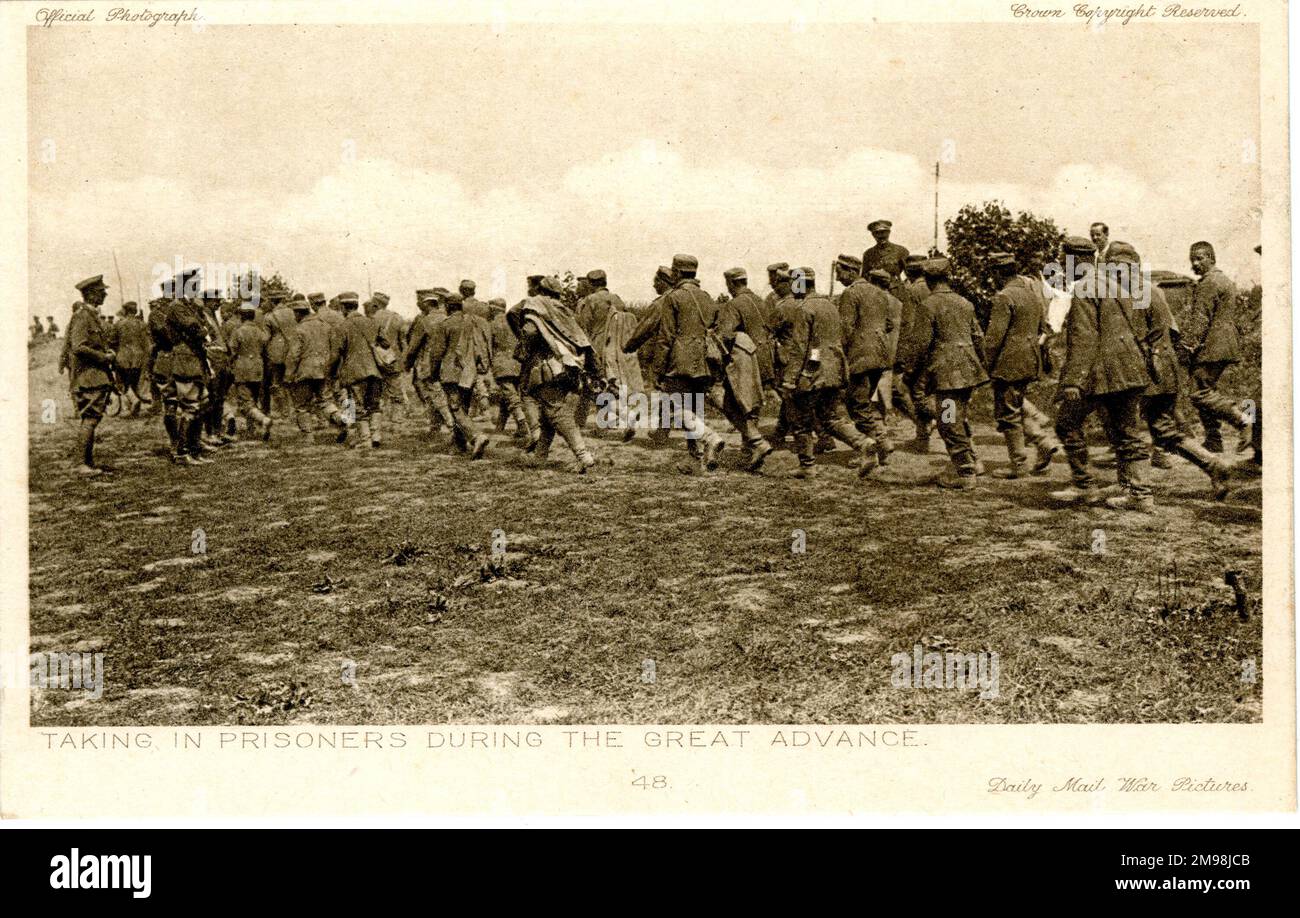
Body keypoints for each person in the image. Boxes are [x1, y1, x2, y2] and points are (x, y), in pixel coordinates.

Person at [1049, 239, 1155, 511]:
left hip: (1104, 373)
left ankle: (1085, 486)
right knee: (1127, 432)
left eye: (1064, 260)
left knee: (1066, 423)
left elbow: (1084, 339)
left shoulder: (1085, 288)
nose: (1061, 265)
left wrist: (1074, 381)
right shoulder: (1114, 284)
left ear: (1076, 260)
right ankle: (1140, 494)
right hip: (1129, 369)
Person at [623, 254, 725, 472]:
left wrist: (657, 370)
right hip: (704, 362)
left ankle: (710, 438)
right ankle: (694, 458)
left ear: (677, 272)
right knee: (693, 408)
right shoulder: (707, 297)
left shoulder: (674, 297)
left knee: (676, 408)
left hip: (680, 362)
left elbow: (665, 338)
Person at [781, 266, 878, 480]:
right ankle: (864, 443)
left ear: (799, 284)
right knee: (831, 418)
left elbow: (802, 349)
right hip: (834, 371)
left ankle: (807, 466)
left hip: (812, 371)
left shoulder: (804, 309)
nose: (791, 288)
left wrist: (792, 379)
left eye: (793, 283)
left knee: (800, 420)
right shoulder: (830, 306)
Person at [983, 252, 1059, 477]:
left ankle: (1018, 464)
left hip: (1009, 362)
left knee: (1008, 413)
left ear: (998, 273)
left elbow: (994, 338)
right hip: (1029, 360)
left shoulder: (1004, 297)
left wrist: (985, 365)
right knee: (1016, 404)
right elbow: (1042, 328)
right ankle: (1043, 442)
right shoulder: (1031, 295)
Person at [515, 275, 598, 473]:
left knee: (556, 412)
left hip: (549, 368)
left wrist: (525, 348)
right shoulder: (564, 310)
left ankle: (583, 456)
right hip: (569, 367)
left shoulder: (537, 306)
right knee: (547, 415)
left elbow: (530, 331)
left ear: (541, 291)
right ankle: (539, 457)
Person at [919, 258, 989, 489]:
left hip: (947, 374)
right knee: (959, 417)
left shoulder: (928, 305)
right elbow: (978, 337)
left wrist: (912, 370)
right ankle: (974, 461)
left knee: (948, 421)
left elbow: (921, 344)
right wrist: (982, 363)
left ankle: (964, 471)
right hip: (968, 371)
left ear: (928, 280)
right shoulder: (964, 303)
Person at [1184, 241, 1251, 454]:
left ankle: (1243, 420)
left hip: (1213, 345)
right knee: (1206, 389)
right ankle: (1213, 440)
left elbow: (1201, 318)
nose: (1195, 264)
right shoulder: (1225, 280)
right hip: (1225, 343)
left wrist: (1188, 345)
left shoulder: (1209, 283)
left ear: (1211, 258)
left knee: (1199, 393)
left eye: (1199, 258)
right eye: (1192, 260)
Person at [835, 255, 895, 466]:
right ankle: (881, 444)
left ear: (851, 271)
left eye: (840, 272)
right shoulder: (879, 292)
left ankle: (876, 446)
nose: (837, 278)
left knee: (856, 404)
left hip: (860, 357)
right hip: (880, 355)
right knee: (864, 402)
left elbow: (845, 329)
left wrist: (840, 355)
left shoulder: (850, 293)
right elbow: (889, 324)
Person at [714, 267, 773, 471]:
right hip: (765, 357)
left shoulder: (734, 304)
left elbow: (726, 335)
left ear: (731, 283)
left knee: (733, 403)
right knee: (752, 405)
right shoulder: (760, 301)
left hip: (746, 359)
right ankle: (749, 452)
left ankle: (754, 446)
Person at [426, 291, 491, 459]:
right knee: (463, 408)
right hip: (469, 371)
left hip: (451, 372)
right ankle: (459, 445)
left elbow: (436, 353)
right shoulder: (473, 322)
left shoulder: (445, 324)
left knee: (455, 408)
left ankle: (476, 436)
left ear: (448, 306)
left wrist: (433, 373)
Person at [66, 275, 116, 475]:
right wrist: (104, 357)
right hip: (88, 376)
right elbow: (78, 346)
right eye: (102, 291)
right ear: (91, 294)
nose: (105, 294)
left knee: (92, 418)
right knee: (90, 419)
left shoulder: (91, 315)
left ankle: (87, 462)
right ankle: (80, 463)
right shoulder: (82, 316)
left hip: (94, 376)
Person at [287, 294, 351, 443]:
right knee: (325, 401)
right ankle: (339, 418)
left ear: (298, 313)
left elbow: (294, 355)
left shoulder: (299, 329)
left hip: (304, 372)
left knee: (302, 406)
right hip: (323, 370)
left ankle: (308, 437)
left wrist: (289, 374)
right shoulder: (326, 326)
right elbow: (334, 349)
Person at [405, 289, 458, 439]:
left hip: (429, 364)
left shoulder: (425, 321)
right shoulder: (447, 318)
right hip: (449, 365)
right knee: (442, 394)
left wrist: (407, 364)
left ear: (427, 303)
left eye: (421, 302)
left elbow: (413, 347)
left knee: (434, 395)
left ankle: (451, 426)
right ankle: (435, 426)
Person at [334, 292, 383, 448]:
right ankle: (376, 436)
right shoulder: (372, 322)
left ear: (343, 307)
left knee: (357, 406)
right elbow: (385, 343)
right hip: (375, 370)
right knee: (374, 405)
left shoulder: (343, 326)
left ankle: (365, 440)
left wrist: (331, 372)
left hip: (355, 373)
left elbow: (337, 352)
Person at [488, 297, 536, 442]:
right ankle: (500, 426)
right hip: (519, 363)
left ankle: (522, 425)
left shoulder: (492, 324)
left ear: (493, 309)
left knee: (511, 396)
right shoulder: (515, 321)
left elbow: (488, 346)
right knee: (509, 395)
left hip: (502, 364)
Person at [229, 301, 273, 442]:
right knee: (254, 398)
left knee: (245, 402)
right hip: (258, 367)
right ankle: (252, 429)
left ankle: (263, 420)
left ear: (242, 316)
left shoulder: (238, 331)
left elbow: (233, 350)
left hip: (242, 367)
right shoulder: (260, 332)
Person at [108, 301, 151, 417]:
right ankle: (136, 408)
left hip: (123, 357)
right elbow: (147, 344)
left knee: (122, 383)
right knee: (135, 382)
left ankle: (133, 402)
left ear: (125, 311)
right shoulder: (142, 324)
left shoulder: (118, 324)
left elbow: (112, 341)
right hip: (139, 358)